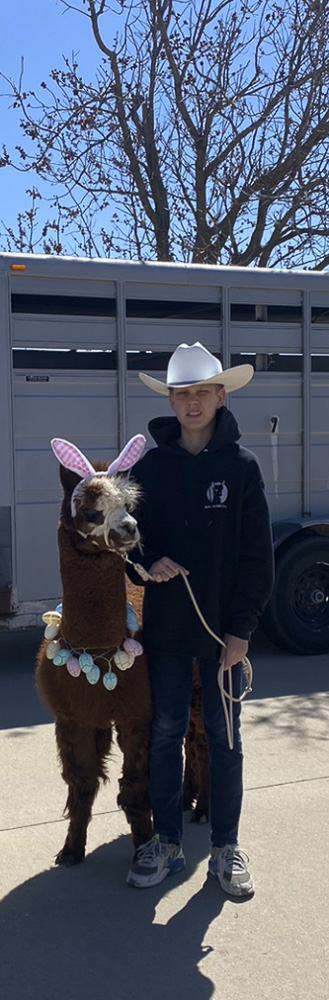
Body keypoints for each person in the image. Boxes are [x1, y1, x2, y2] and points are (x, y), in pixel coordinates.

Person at [126, 342, 274, 895]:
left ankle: (225, 848)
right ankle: (166, 843)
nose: (192, 403)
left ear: (220, 395)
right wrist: (146, 561)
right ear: (171, 398)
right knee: (164, 734)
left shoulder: (241, 467)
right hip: (165, 630)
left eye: (202, 393)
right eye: (182, 394)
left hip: (222, 638)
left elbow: (259, 557)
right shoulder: (150, 466)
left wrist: (242, 631)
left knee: (225, 738)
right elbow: (129, 537)